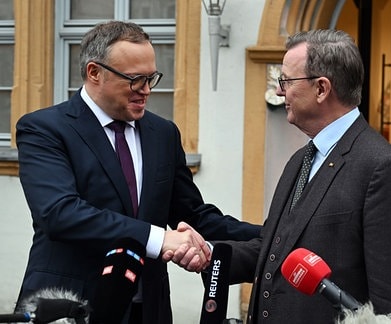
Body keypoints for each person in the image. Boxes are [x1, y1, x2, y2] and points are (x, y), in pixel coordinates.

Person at [14, 20, 260, 324]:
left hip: (149, 309)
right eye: (135, 80)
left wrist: (275, 234)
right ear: (94, 73)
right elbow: (60, 213)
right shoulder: (45, 128)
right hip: (71, 305)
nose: (146, 90)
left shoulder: (163, 133)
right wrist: (160, 239)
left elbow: (193, 215)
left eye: (151, 78)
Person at [223, 29, 391, 323]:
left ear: (321, 89)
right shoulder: (300, 160)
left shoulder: (382, 168)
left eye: (287, 81)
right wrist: (209, 253)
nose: (280, 91)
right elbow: (274, 249)